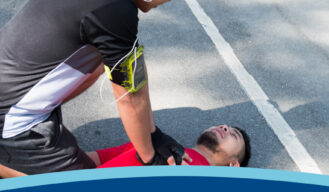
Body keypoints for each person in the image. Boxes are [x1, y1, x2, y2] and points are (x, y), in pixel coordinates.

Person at [0, 0, 189, 177]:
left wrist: (154, 134)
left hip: (8, 88)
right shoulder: (116, 11)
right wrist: (150, 159)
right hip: (8, 122)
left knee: (100, 61)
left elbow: (134, 75)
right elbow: (130, 99)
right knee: (90, 188)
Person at [88, 124, 251, 168]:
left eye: (233, 135)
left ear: (233, 165)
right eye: (223, 126)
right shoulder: (157, 141)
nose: (224, 128)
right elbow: (97, 159)